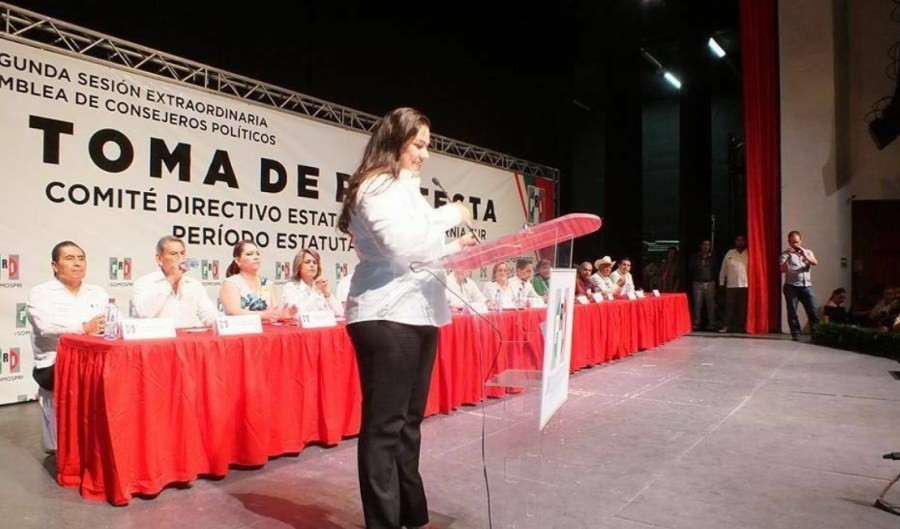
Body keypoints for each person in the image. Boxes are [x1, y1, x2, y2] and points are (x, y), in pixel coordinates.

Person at [337, 107, 476, 529]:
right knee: (386, 427)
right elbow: (400, 245)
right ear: (395, 141)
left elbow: (420, 250)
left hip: (418, 313)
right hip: (385, 315)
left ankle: (412, 515)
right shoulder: (375, 185)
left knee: (409, 423)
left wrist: (455, 248)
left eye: (427, 146)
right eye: (418, 145)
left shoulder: (407, 189)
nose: (425, 155)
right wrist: (452, 215)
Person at [26, 241, 109, 453]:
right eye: (70, 259)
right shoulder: (40, 293)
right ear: (55, 265)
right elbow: (45, 327)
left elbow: (107, 325)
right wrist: (84, 328)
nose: (77, 263)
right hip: (54, 363)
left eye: (81, 259)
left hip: (92, 361)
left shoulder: (97, 292)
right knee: (58, 447)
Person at [133, 236, 219, 328]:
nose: (180, 258)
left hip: (188, 336)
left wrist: (221, 322)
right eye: (173, 254)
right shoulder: (144, 283)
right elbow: (145, 314)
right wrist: (172, 278)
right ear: (159, 259)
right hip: (157, 336)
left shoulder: (194, 285)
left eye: (182, 253)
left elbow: (208, 314)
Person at [220, 240, 295, 322]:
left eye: (257, 254)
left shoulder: (267, 283)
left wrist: (283, 314)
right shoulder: (231, 283)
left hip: (268, 329)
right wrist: (262, 315)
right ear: (238, 260)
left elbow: (274, 311)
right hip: (241, 328)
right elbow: (233, 312)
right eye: (249, 254)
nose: (256, 257)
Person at [780, 230, 820, 340]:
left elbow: (815, 262)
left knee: (812, 310)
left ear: (801, 241)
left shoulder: (808, 252)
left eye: (797, 242)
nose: (795, 244)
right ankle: (796, 333)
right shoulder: (785, 254)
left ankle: (816, 333)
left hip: (806, 286)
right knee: (792, 311)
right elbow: (782, 270)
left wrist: (804, 255)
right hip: (791, 286)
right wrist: (788, 259)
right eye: (792, 242)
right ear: (789, 242)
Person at [281, 248, 344, 317]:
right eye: (307, 262)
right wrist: (316, 292)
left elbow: (339, 312)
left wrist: (326, 292)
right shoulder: (290, 287)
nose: (312, 265)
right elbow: (296, 314)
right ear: (298, 267)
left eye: (315, 263)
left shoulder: (320, 286)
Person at [718, 235, 749, 333]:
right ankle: (726, 326)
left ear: (745, 241)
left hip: (745, 285)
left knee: (742, 308)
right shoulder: (730, 253)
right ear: (735, 242)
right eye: (738, 240)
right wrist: (721, 282)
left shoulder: (749, 253)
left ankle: (741, 327)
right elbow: (724, 268)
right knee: (729, 306)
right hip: (731, 285)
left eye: (742, 240)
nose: (740, 242)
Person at [688, 240, 717, 330]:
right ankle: (696, 324)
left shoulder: (712, 258)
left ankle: (712, 324)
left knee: (711, 304)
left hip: (710, 283)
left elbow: (716, 270)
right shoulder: (694, 258)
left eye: (707, 245)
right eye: (704, 245)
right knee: (697, 304)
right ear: (700, 246)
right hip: (697, 283)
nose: (706, 247)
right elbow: (690, 270)